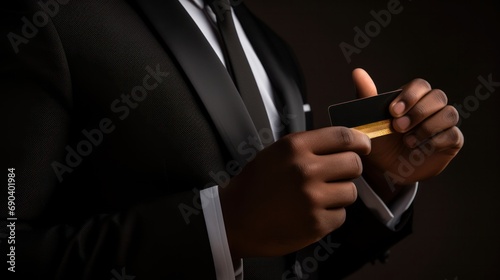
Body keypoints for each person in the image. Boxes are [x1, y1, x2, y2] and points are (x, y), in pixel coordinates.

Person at [1, 0, 463, 279]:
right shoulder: (50, 15)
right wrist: (219, 228)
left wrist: (383, 179)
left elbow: (289, 264)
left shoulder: (272, 48)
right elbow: (10, 252)